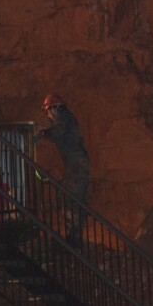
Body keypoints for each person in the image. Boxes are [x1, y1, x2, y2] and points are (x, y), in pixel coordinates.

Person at [34, 93, 90, 249]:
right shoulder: (67, 117)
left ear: (53, 108)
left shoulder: (63, 117)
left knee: (71, 201)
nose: (48, 116)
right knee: (74, 200)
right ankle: (74, 239)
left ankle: (73, 242)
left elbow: (57, 132)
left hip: (76, 165)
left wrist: (43, 133)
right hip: (77, 164)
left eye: (48, 112)